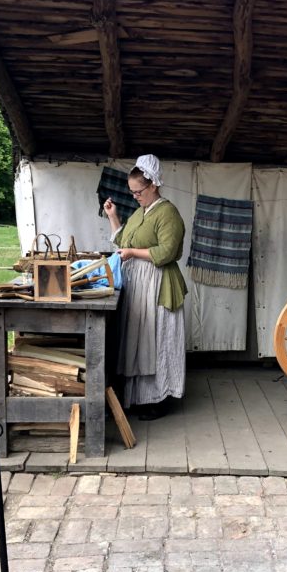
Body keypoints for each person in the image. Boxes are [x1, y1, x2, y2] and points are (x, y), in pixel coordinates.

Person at [103, 155, 186, 421]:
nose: (135, 195)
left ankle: (161, 398)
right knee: (139, 340)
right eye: (132, 192)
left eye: (138, 191)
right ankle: (139, 397)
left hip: (158, 283)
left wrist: (133, 253)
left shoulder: (167, 212)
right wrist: (113, 217)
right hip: (139, 285)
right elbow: (123, 242)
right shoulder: (140, 213)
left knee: (158, 339)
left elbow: (167, 251)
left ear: (153, 185)